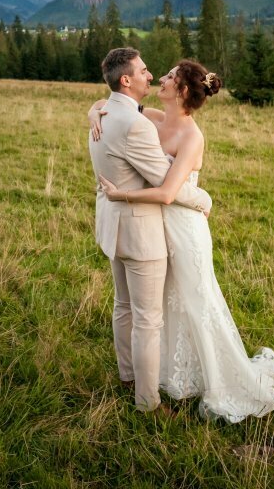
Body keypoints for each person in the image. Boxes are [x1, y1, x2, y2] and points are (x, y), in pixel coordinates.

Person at [90, 59, 274, 422]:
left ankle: (216, 378)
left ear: (182, 91)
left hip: (184, 229)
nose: (160, 79)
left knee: (196, 304)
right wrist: (93, 113)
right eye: (159, 74)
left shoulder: (192, 136)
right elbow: (110, 103)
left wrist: (124, 197)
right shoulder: (152, 118)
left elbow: (168, 192)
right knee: (164, 305)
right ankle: (168, 373)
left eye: (168, 77)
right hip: (154, 227)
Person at [87, 48, 214, 415]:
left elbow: (100, 105)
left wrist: (92, 109)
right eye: (144, 70)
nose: (152, 75)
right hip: (141, 233)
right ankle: (147, 401)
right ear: (125, 79)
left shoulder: (107, 112)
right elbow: (165, 184)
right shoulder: (137, 125)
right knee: (147, 319)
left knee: (123, 306)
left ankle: (128, 376)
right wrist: (203, 198)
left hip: (113, 228)